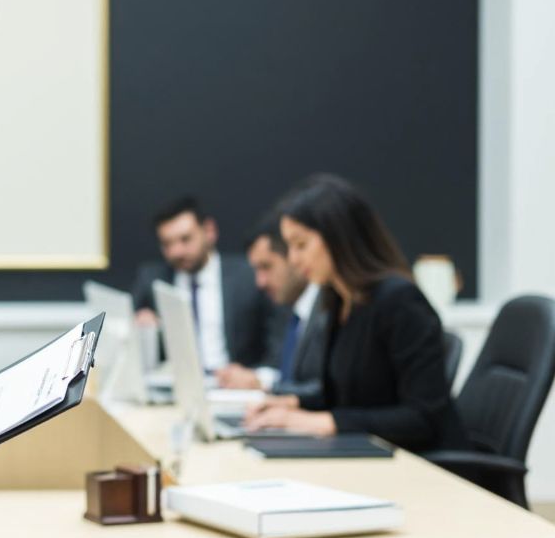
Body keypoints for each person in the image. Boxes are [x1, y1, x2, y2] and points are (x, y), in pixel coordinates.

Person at [244, 175, 469, 453]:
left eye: (301, 245)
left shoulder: (400, 302)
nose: (293, 259)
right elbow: (345, 396)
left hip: (421, 466)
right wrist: (291, 404)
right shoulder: (339, 300)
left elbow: (421, 419)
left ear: (338, 238)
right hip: (369, 454)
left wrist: (323, 422)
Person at [132, 196, 276, 370]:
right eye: (167, 244)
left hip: (233, 385)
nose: (176, 251)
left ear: (209, 231)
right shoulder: (152, 280)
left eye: (185, 239)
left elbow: (276, 343)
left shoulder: (249, 277)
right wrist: (143, 331)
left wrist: (256, 376)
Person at [215, 212, 326, 397]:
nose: (260, 282)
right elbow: (280, 367)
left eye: (266, 267)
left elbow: (323, 389)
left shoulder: (327, 308)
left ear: (293, 257)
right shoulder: (289, 308)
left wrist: (265, 386)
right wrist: (255, 379)